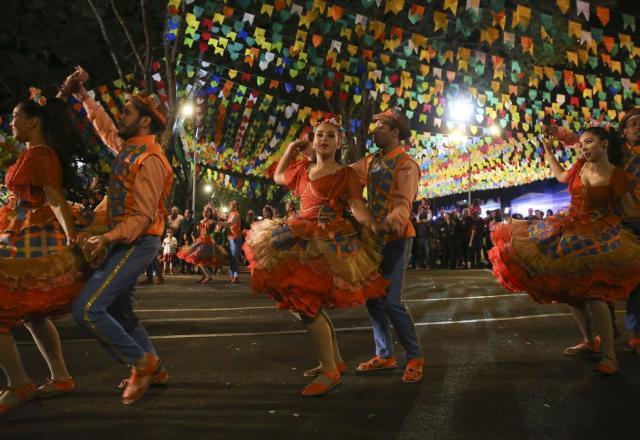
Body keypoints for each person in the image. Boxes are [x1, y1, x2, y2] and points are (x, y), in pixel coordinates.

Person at [244, 117, 388, 396]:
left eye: (330, 136)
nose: (323, 139)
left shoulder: (345, 175)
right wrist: (290, 149)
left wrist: (375, 226)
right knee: (303, 305)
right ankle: (333, 362)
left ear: (339, 142)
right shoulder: (303, 170)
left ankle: (330, 370)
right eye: (319, 135)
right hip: (297, 236)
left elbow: (357, 207)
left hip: (327, 242)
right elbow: (277, 176)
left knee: (307, 304)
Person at [490, 121, 640, 375]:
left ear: (605, 143)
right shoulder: (580, 166)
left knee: (594, 293)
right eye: (580, 144)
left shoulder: (618, 175)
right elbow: (561, 176)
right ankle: (590, 340)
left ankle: (609, 355)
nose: (583, 148)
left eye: (588, 142)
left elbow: (629, 210)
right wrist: (548, 151)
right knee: (570, 290)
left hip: (601, 235)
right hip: (569, 231)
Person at [66, 66, 174, 404]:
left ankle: (140, 363)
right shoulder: (130, 149)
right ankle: (154, 369)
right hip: (125, 239)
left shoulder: (151, 159)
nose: (120, 116)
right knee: (122, 314)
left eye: (126, 112)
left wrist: (107, 238)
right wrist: (84, 97)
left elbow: (142, 217)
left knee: (88, 310)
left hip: (138, 241)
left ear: (144, 122)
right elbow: (105, 129)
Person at [0, 89, 101, 414]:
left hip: (32, 233)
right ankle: (59, 377)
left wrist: (72, 237)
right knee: (32, 313)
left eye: (16, 117)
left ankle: (19, 384)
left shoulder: (40, 155)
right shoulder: (31, 152)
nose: (10, 122)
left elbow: (54, 197)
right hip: (20, 227)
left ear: (32, 122)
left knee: (11, 308)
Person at [350, 107, 425, 383]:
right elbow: (346, 177)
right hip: (374, 239)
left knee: (392, 301)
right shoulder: (372, 161)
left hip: (397, 237)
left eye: (381, 126)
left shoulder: (406, 164)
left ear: (395, 132)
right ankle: (385, 355)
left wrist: (392, 221)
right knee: (373, 299)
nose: (375, 130)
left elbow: (403, 203)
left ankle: (415, 356)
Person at [177, 205, 227, 284]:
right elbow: (197, 232)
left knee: (198, 259)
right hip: (200, 241)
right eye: (204, 211)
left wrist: (212, 226)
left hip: (207, 242)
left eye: (207, 212)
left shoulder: (211, 221)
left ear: (210, 213)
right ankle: (204, 276)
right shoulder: (200, 221)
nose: (205, 213)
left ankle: (208, 276)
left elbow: (215, 231)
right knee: (199, 259)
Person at [222, 200, 242, 284]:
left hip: (235, 238)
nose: (229, 206)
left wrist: (221, 224)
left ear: (234, 206)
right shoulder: (231, 214)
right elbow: (223, 217)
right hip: (230, 238)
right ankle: (231, 275)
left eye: (230, 205)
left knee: (234, 257)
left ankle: (236, 276)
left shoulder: (236, 214)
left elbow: (229, 223)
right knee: (231, 258)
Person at [178, 208, 196, 274]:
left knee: (189, 255)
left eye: (187, 212)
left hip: (189, 240)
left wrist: (187, 236)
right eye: (185, 212)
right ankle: (181, 269)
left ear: (191, 214)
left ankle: (189, 269)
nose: (186, 214)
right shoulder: (182, 221)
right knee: (181, 255)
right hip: (182, 240)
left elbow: (193, 231)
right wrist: (180, 239)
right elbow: (181, 230)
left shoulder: (193, 222)